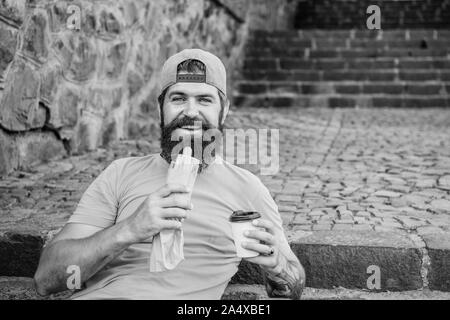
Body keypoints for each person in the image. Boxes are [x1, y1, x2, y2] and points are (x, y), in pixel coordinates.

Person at [33, 49, 306, 300]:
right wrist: (130, 229)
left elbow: (293, 284)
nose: (190, 111)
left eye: (204, 100)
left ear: (224, 112)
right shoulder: (120, 174)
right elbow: (47, 279)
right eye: (178, 99)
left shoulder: (248, 188)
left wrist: (277, 266)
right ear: (159, 109)